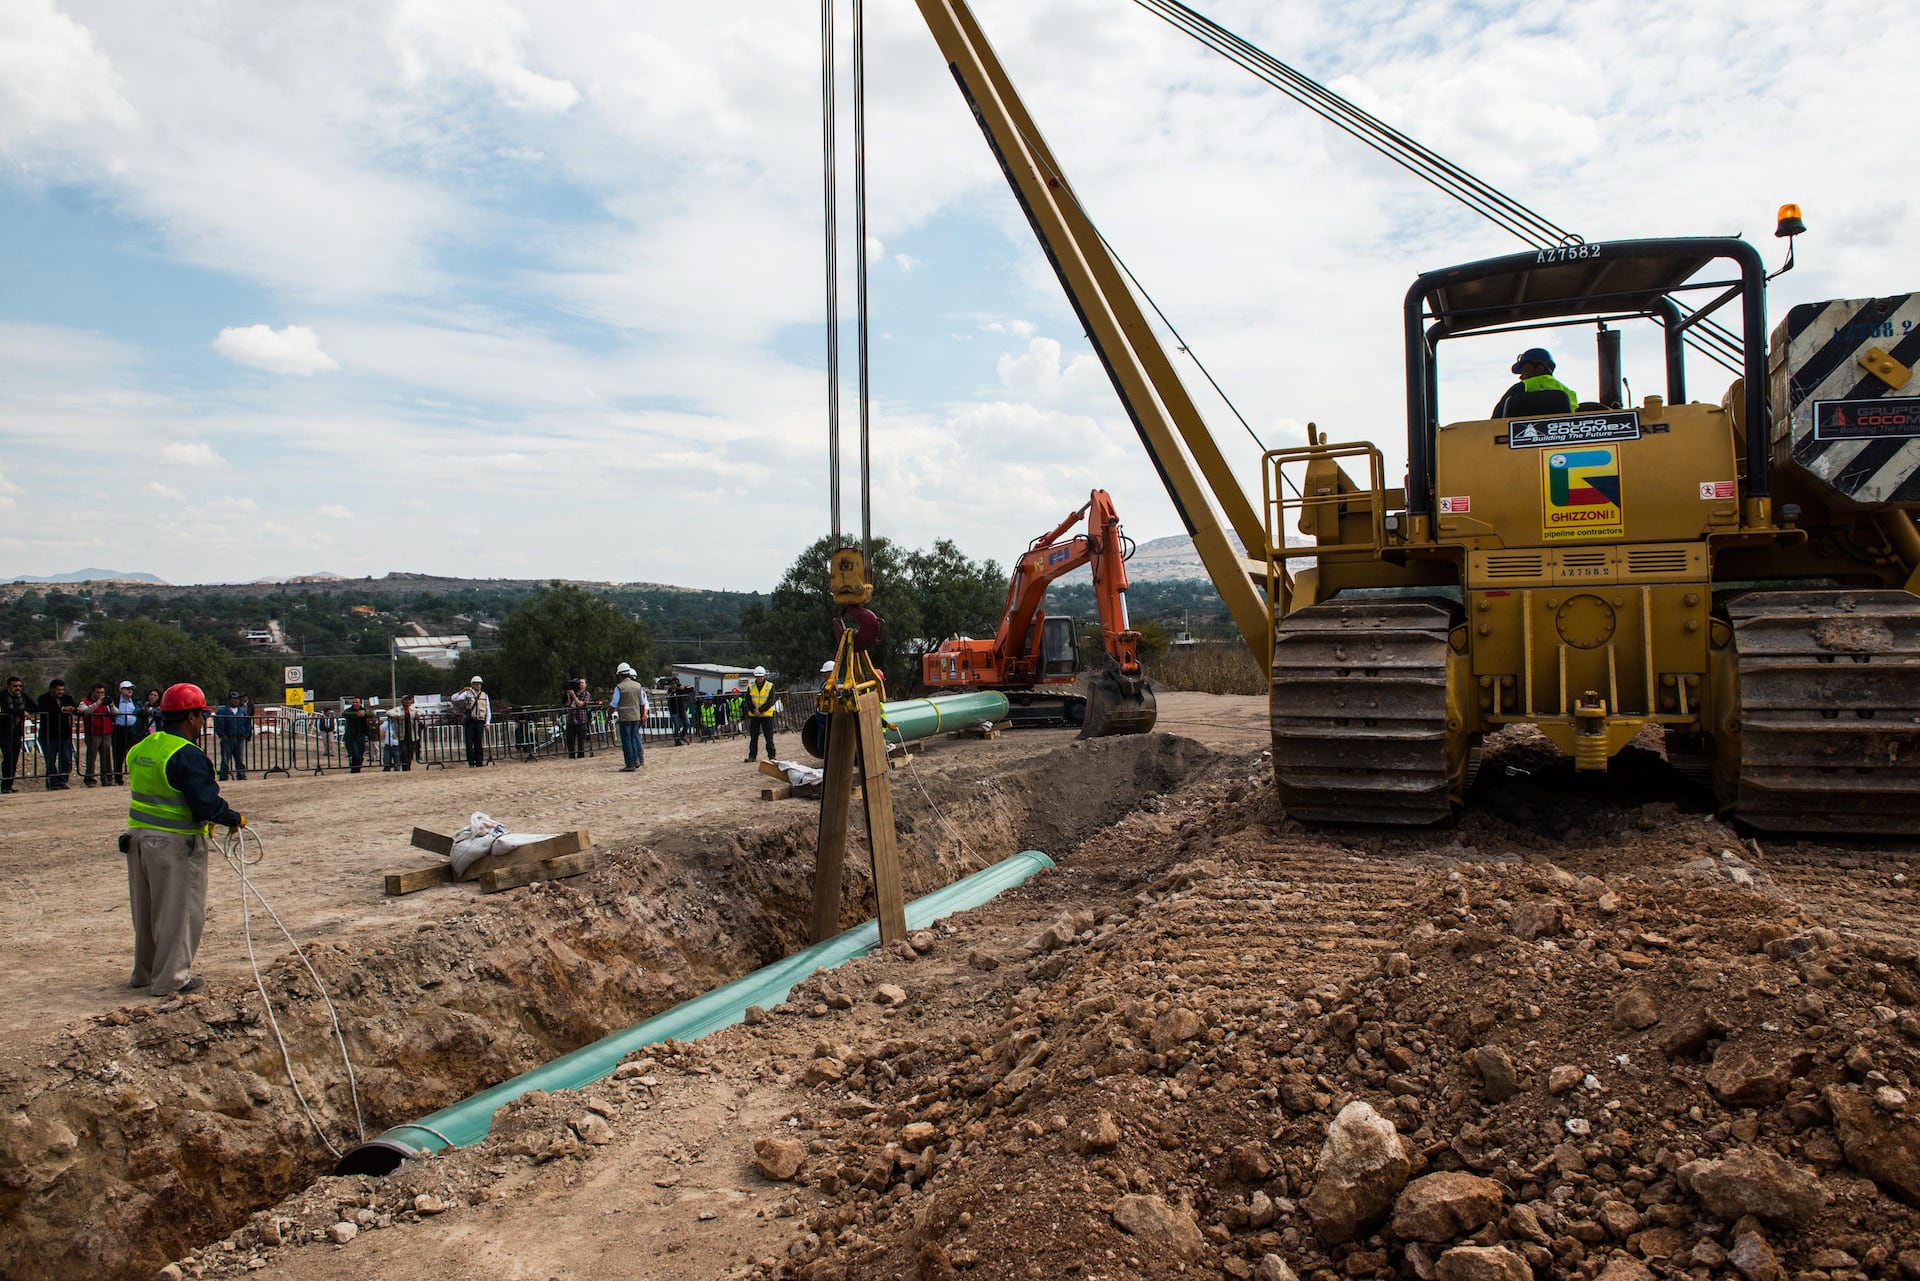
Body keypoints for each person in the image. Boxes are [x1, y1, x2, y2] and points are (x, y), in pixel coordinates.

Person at [123, 683, 245, 998]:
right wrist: (232, 818)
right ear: (190, 716)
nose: (203, 721)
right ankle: (171, 979)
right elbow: (204, 803)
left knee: (147, 911)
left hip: (137, 839)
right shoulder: (188, 755)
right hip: (176, 844)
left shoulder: (142, 747)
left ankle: (145, 973)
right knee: (179, 912)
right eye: (201, 715)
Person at [1492, 347, 1578, 418]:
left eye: (1524, 371)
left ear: (1539, 369)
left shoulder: (1523, 386)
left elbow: (1496, 418)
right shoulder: (1569, 393)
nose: (1520, 377)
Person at [36, 678, 77, 790]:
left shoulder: (67, 698)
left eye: (62, 690)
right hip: (48, 735)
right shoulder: (43, 699)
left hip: (64, 734)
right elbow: (46, 708)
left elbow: (75, 707)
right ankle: (53, 783)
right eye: (58, 690)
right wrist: (63, 709)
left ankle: (63, 780)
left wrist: (73, 709)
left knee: (66, 758)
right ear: (52, 689)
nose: (60, 692)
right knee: (50, 760)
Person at [611, 661, 648, 771]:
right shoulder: (638, 686)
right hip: (636, 717)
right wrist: (642, 715)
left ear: (620, 674)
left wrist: (609, 715)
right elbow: (642, 703)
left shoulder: (619, 687)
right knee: (634, 738)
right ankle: (637, 759)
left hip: (625, 718)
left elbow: (614, 703)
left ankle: (630, 764)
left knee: (627, 741)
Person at [450, 676, 490, 767]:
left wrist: (487, 722)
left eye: (479, 684)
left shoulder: (484, 695)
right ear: (472, 685)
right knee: (469, 742)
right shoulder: (466, 694)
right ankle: (471, 762)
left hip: (480, 720)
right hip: (470, 721)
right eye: (476, 684)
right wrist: (462, 691)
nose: (478, 686)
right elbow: (454, 698)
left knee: (479, 742)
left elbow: (488, 709)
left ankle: (479, 762)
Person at [79, 684, 115, 786]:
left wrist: (111, 705)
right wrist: (97, 703)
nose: (100, 695)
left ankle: (107, 779)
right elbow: (86, 712)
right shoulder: (84, 701)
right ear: (92, 692)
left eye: (102, 693)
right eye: (98, 692)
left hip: (106, 732)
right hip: (92, 733)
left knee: (107, 756)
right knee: (91, 757)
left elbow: (116, 713)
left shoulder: (106, 703)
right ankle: (90, 779)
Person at [212, 690, 251, 781]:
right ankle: (224, 776)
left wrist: (246, 734)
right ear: (229, 700)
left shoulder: (242, 711)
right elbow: (218, 724)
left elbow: (247, 723)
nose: (235, 701)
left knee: (239, 758)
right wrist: (222, 735)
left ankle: (241, 775)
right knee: (225, 759)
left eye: (237, 699)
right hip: (227, 738)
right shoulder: (222, 711)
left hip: (239, 738)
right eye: (233, 699)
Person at [743, 665, 779, 763]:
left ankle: (772, 756)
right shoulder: (751, 687)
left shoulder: (770, 686)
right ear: (755, 677)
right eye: (758, 676)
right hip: (755, 715)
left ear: (764, 676)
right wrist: (755, 710)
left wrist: (761, 710)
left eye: (761, 676)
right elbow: (748, 700)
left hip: (766, 715)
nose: (759, 678)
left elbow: (771, 700)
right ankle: (752, 756)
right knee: (753, 737)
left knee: (768, 736)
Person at [110, 680, 142, 785]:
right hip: (119, 730)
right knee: (118, 754)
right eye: (127, 689)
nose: (130, 691)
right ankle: (118, 778)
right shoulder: (115, 701)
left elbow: (140, 711)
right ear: (121, 690)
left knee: (134, 754)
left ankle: (136, 777)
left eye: (131, 689)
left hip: (132, 730)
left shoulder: (136, 700)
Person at [1, 674, 28, 794]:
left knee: (13, 758)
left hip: (16, 732)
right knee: (8, 756)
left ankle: (8, 784)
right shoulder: (2, 696)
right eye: (15, 686)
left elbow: (34, 706)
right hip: (3, 731)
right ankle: (5, 784)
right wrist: (20, 712)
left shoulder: (23, 697)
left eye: (19, 686)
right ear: (8, 686)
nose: (18, 688)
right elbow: (4, 708)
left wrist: (20, 713)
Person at [342, 697, 375, 773]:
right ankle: (354, 769)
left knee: (360, 754)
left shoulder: (364, 709)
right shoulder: (349, 710)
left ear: (360, 703)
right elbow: (345, 714)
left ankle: (357, 768)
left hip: (362, 735)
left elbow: (371, 713)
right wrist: (356, 714)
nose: (355, 704)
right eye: (353, 702)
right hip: (352, 736)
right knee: (355, 754)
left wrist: (364, 714)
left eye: (356, 702)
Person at [564, 678, 591, 759]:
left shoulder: (586, 694)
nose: (581, 684)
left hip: (581, 718)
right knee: (570, 739)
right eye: (580, 683)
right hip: (571, 718)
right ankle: (571, 755)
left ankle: (581, 756)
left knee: (581, 740)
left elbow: (580, 704)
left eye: (583, 683)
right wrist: (569, 695)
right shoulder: (574, 692)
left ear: (586, 684)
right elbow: (568, 704)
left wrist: (573, 696)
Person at [399, 694, 422, 769]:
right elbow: (389, 712)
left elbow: (422, 711)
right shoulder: (398, 709)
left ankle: (408, 766)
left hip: (411, 733)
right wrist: (397, 715)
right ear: (402, 701)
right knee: (403, 751)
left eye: (409, 700)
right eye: (406, 700)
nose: (407, 701)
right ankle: (404, 766)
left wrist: (419, 714)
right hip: (402, 733)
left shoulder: (413, 709)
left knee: (410, 751)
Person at [668, 679, 691, 746]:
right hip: (673, 711)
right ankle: (677, 741)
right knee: (677, 726)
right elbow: (669, 697)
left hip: (681, 710)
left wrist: (683, 687)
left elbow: (691, 688)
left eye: (676, 683)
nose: (674, 685)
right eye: (673, 683)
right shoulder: (670, 690)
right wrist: (673, 692)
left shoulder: (680, 690)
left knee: (687, 723)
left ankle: (682, 735)